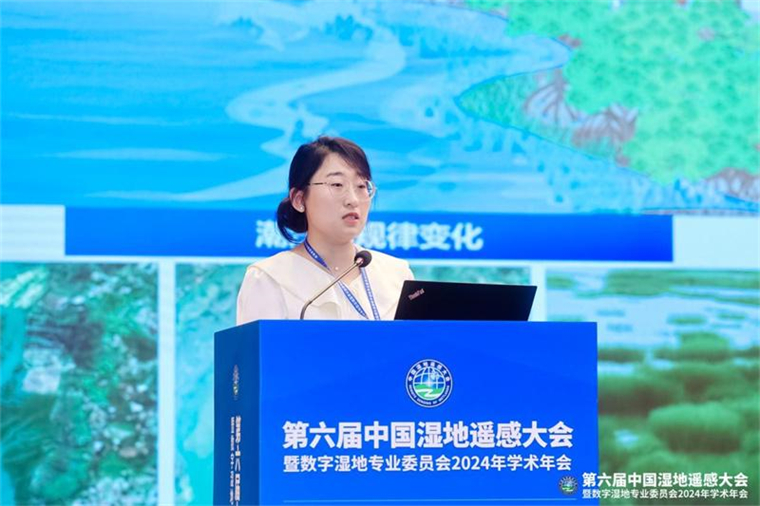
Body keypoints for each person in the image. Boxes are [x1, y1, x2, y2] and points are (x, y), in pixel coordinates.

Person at [236, 136, 414, 323]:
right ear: (299, 199)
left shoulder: (397, 275)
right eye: (337, 185)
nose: (353, 200)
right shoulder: (269, 279)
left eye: (362, 186)